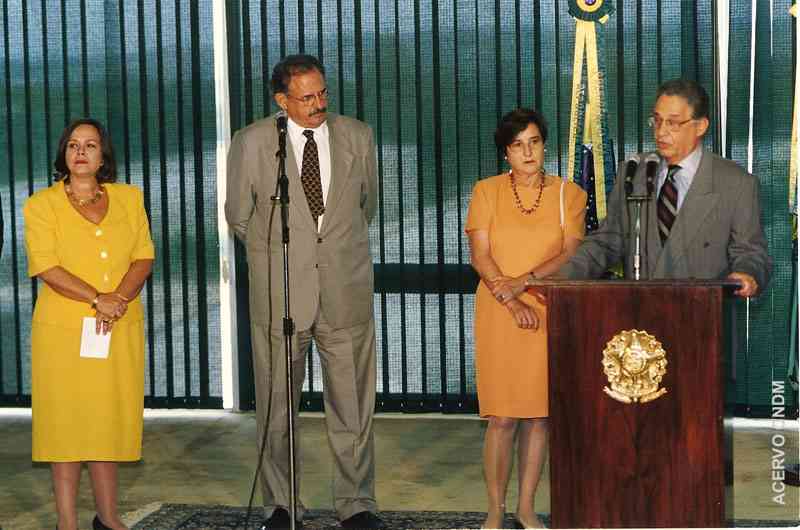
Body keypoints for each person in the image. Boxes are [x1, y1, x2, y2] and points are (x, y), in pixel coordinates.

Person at [225, 54, 382, 530]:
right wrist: (280, 258)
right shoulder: (252, 143)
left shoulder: (358, 136)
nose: (319, 104)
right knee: (276, 409)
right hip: (281, 298)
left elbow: (367, 206)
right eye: (307, 97)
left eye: (323, 93)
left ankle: (356, 504)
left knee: (353, 408)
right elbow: (239, 216)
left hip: (345, 293)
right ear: (282, 100)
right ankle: (280, 505)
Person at [23, 118, 154, 530]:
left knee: (107, 420)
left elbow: (143, 256)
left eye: (90, 145)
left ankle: (108, 518)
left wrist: (118, 300)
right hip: (62, 333)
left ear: (103, 156)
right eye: (73, 145)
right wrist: (99, 298)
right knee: (65, 425)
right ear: (63, 154)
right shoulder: (40, 205)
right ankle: (67, 522)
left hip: (117, 326)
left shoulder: (130, 198)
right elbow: (46, 266)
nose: (81, 152)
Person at [465, 108, 587, 529]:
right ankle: (495, 510)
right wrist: (511, 297)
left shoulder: (569, 194)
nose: (528, 152)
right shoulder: (486, 192)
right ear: (505, 153)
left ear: (544, 145)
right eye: (517, 145)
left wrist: (526, 283)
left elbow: (571, 253)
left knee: (539, 415)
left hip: (547, 307)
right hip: (499, 309)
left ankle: (526, 508)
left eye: (534, 142)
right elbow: (480, 255)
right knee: (502, 417)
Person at [558, 79, 772, 295]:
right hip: (639, 309)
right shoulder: (634, 171)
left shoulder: (736, 183)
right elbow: (606, 242)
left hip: (702, 309)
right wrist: (561, 278)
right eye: (657, 121)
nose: (661, 132)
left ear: (700, 126)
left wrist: (747, 273)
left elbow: (750, 253)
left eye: (673, 123)